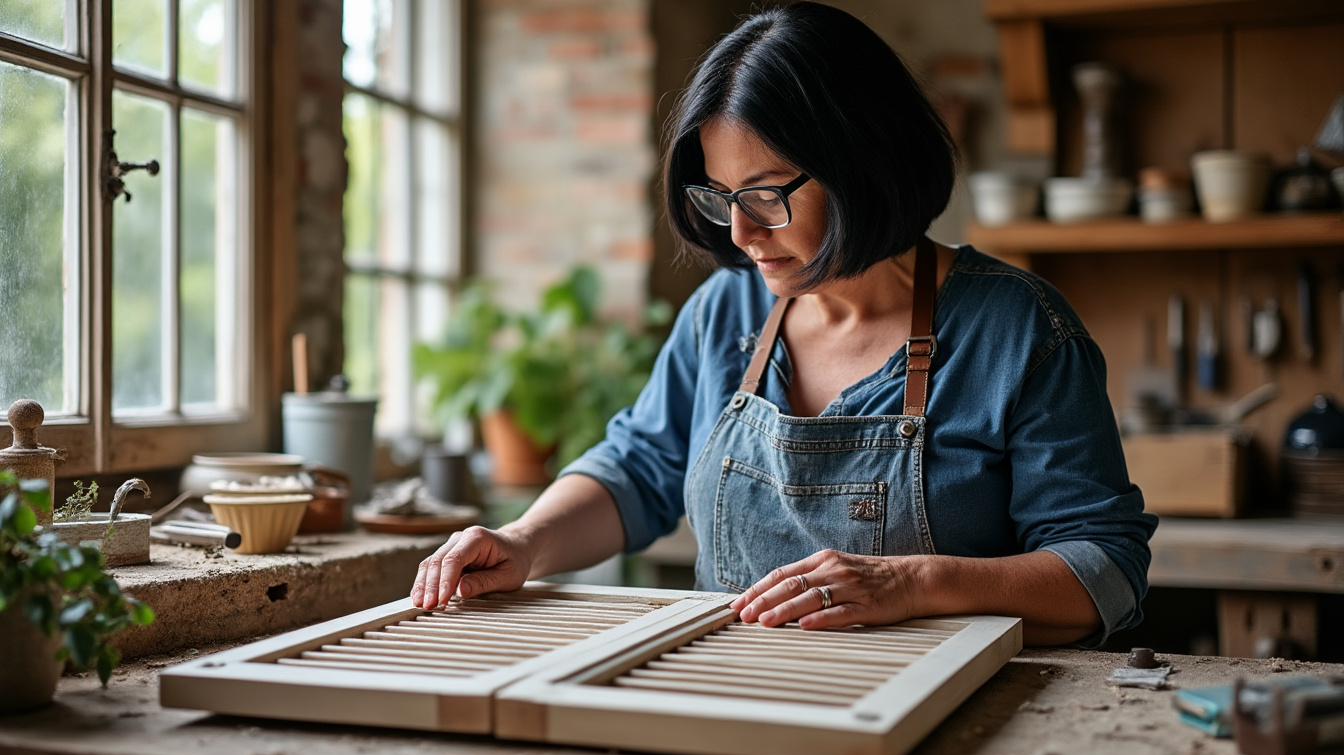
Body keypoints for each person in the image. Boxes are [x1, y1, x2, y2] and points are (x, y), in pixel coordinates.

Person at [412, 2, 1157, 647]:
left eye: (767, 196)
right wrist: (521, 541)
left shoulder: (1019, 330)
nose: (738, 233)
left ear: (862, 163)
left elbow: (1105, 569)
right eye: (719, 197)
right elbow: (637, 471)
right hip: (741, 699)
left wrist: (914, 583)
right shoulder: (725, 313)